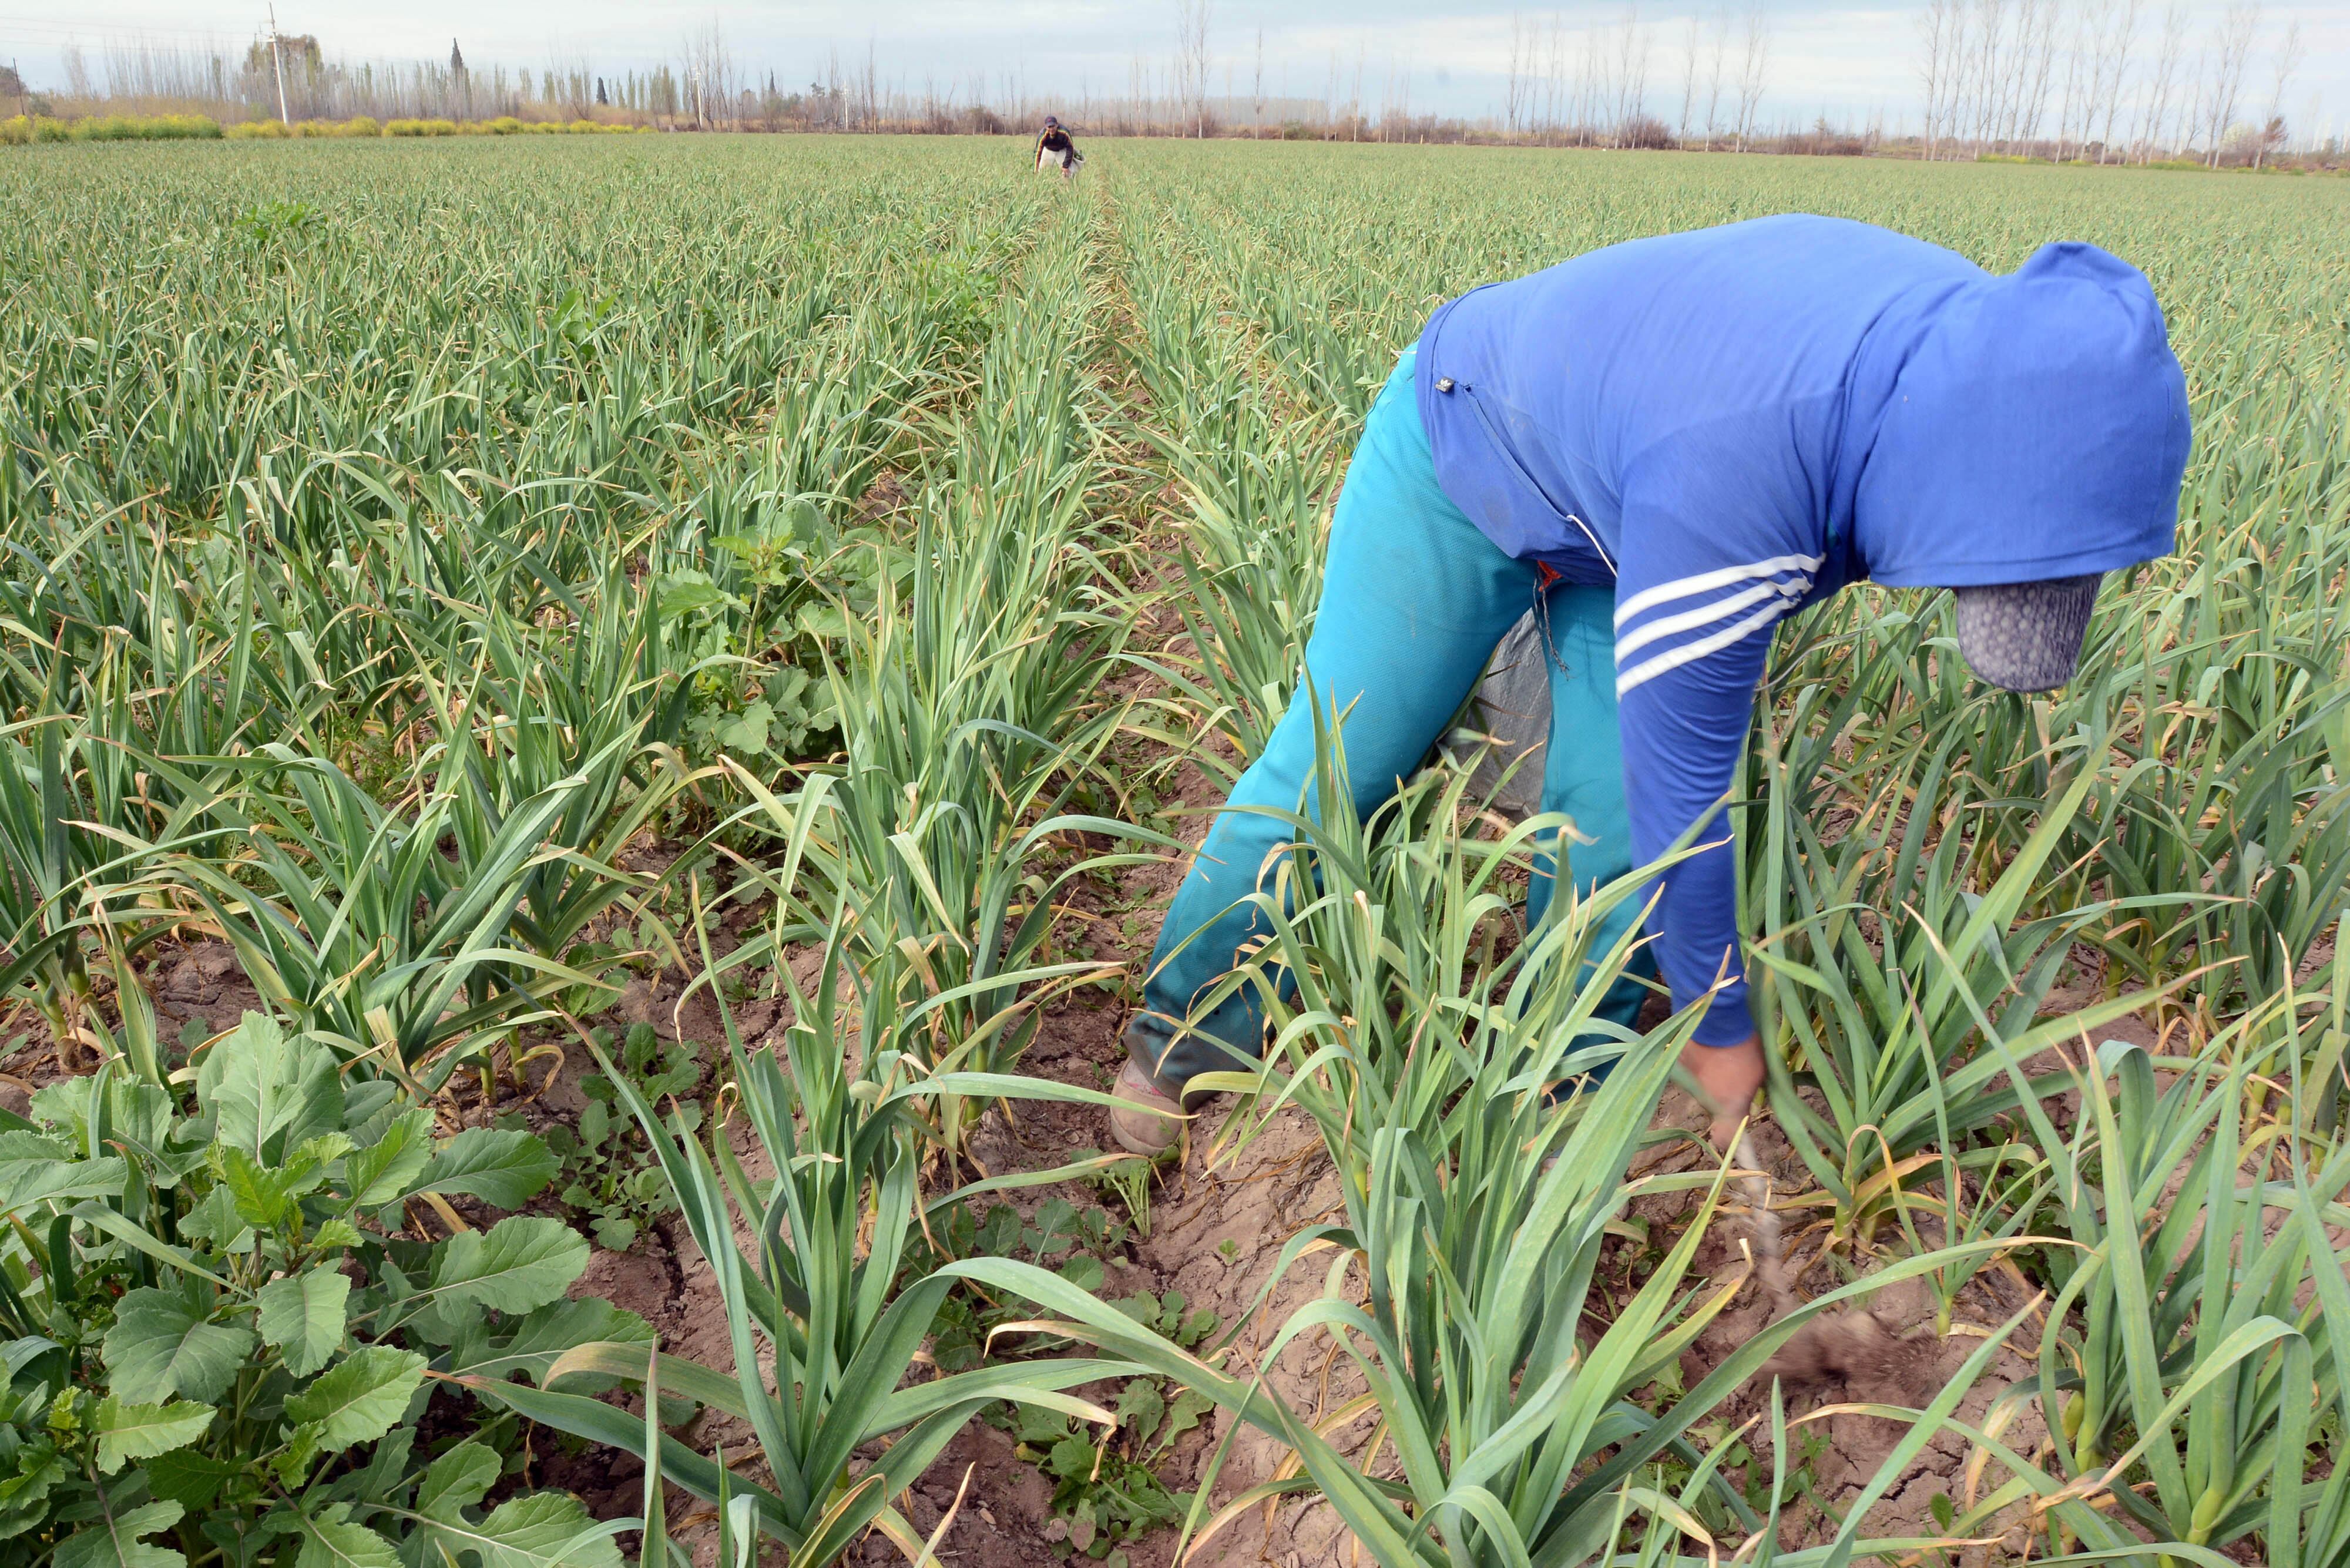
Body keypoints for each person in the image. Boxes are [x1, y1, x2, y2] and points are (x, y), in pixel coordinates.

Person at [1108, 213, 2191, 1159]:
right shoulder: (1752, 462)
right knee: (1347, 750)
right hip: (1468, 439)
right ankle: (1179, 1044)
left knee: (1610, 820)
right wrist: (1722, 1031)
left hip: (1626, 505)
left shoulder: (1972, 370)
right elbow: (1689, 794)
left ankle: (1561, 1089)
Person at [1035, 115, 1080, 179]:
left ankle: (1068, 187)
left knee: (1067, 173)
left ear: (1057, 125)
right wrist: (1036, 170)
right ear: (1046, 127)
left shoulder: (1064, 132)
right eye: (1049, 127)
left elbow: (1070, 149)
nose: (1051, 129)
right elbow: (1038, 152)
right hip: (1048, 150)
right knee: (1042, 172)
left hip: (1062, 150)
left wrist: (1066, 166)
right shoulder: (1042, 134)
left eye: (1053, 126)